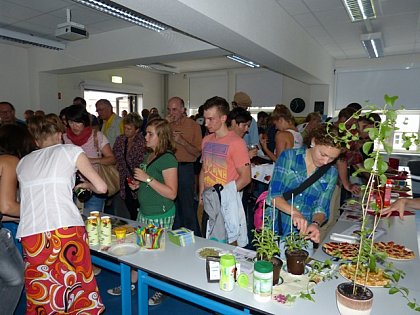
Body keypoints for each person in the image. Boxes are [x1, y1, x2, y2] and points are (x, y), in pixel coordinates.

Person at [16, 116, 107, 314]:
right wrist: (87, 185)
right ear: (59, 135)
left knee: (43, 289)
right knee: (76, 284)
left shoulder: (23, 163)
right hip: (66, 229)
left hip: (32, 233)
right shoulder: (71, 151)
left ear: (36, 141)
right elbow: (102, 187)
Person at [108, 118, 177, 306]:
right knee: (141, 250)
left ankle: (161, 288)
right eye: (146, 133)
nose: (145, 137)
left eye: (150, 134)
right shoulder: (150, 156)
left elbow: (171, 193)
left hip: (160, 214)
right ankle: (131, 283)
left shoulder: (168, 158)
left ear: (161, 137)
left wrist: (146, 180)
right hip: (145, 212)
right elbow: (152, 184)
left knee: (156, 254)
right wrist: (138, 185)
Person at [267, 123, 345, 244]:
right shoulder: (289, 157)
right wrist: (295, 212)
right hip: (276, 226)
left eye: (332, 159)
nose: (325, 161)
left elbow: (322, 208)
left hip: (302, 234)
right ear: (313, 142)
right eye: (323, 154)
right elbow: (274, 196)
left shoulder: (331, 173)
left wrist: (315, 224)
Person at [199, 96, 251, 246]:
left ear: (223, 118)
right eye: (205, 119)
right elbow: (204, 169)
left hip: (226, 203)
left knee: (229, 245)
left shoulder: (237, 143)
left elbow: (245, 178)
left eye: (210, 119)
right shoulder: (206, 140)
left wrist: (223, 196)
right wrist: (202, 195)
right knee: (209, 244)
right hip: (209, 200)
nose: (206, 123)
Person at [0, 124, 35, 315]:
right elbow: (6, 206)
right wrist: (38, 211)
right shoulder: (10, 160)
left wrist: (12, 219)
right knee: (15, 278)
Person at [63, 105, 116, 212]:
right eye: (71, 122)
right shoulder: (64, 138)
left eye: (78, 122)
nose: (74, 126)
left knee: (93, 222)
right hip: (70, 188)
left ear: (85, 121)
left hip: (94, 187)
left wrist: (91, 161)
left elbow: (111, 159)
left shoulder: (97, 136)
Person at [166, 97, 202, 236]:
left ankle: (194, 236)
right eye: (169, 109)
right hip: (167, 168)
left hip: (185, 168)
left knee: (187, 206)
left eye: (174, 109)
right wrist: (164, 125)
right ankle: (174, 236)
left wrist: (182, 142)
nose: (171, 113)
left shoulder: (193, 126)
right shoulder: (165, 125)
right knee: (171, 206)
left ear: (183, 110)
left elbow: (197, 153)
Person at [113, 112, 146, 220]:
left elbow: (143, 162)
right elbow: (115, 157)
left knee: (138, 207)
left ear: (137, 130)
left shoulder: (143, 142)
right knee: (127, 207)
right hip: (123, 179)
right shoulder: (120, 140)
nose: (126, 131)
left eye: (129, 129)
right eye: (125, 128)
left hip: (137, 179)